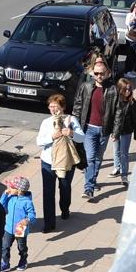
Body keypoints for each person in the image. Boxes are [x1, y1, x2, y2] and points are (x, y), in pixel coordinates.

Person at [36, 93, 83, 233]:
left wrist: (72, 133)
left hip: (66, 161)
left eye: (55, 107)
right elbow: (39, 141)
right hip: (48, 161)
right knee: (48, 193)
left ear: (62, 107)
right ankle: (49, 223)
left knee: (65, 187)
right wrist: (52, 136)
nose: (53, 109)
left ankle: (65, 208)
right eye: (50, 107)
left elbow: (82, 138)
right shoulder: (46, 122)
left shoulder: (71, 120)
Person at [71, 56, 115, 200]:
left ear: (107, 72)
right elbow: (78, 106)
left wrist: (116, 130)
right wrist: (75, 125)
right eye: (96, 74)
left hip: (104, 130)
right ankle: (89, 188)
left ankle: (93, 180)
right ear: (92, 73)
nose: (99, 76)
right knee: (90, 158)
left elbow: (117, 111)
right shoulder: (86, 86)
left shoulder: (113, 89)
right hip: (89, 129)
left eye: (102, 73)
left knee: (98, 158)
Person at [0, 175, 35, 272]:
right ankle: (5, 263)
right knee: (5, 246)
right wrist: (5, 194)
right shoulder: (10, 197)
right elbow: (0, 206)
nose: (8, 188)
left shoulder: (27, 202)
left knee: (21, 247)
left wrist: (27, 220)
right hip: (8, 227)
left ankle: (23, 260)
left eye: (11, 187)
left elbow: (32, 215)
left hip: (20, 228)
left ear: (18, 190)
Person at [108, 78, 136, 186]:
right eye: (125, 89)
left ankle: (124, 175)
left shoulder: (132, 102)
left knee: (124, 153)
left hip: (127, 131)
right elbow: (111, 116)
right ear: (120, 89)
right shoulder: (115, 101)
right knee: (116, 150)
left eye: (129, 89)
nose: (128, 91)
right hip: (116, 130)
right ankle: (117, 167)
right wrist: (111, 130)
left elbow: (135, 119)